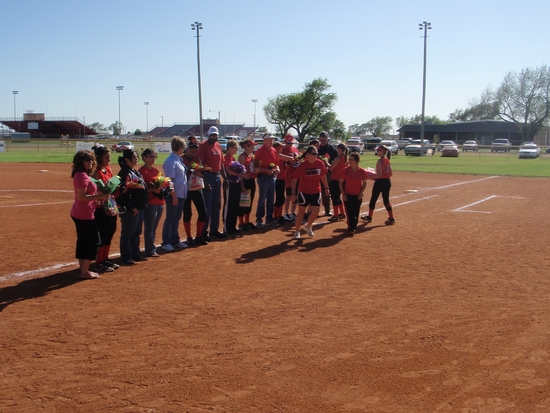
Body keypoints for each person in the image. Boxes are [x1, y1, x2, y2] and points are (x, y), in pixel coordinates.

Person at [70, 150, 111, 279]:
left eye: (92, 160)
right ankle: (84, 271)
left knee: (83, 240)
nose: (91, 162)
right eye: (87, 160)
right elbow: (82, 197)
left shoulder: (82, 174)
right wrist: (101, 196)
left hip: (80, 212)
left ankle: (83, 269)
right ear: (81, 162)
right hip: (84, 214)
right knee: (95, 242)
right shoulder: (82, 176)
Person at [254, 134, 294, 227]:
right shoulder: (260, 151)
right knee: (262, 199)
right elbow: (256, 167)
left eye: (272, 139)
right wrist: (267, 170)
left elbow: (275, 164)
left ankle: (269, 218)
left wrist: (277, 169)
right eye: (269, 140)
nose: (271, 141)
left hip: (272, 177)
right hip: (263, 177)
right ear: (264, 140)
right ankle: (259, 219)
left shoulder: (273, 150)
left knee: (271, 199)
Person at [117, 149, 148, 265]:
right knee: (128, 233)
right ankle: (127, 256)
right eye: (134, 157)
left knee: (136, 232)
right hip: (131, 209)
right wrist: (131, 207)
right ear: (126, 160)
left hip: (138, 207)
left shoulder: (133, 171)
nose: (136, 159)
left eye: (137, 157)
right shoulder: (125, 173)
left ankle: (135, 254)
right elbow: (123, 194)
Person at [290, 145, 329, 239]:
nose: (316, 155)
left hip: (316, 191)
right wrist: (293, 193)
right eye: (313, 153)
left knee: (316, 212)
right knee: (301, 212)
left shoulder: (320, 163)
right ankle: (297, 231)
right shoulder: (303, 165)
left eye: (316, 153)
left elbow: (323, 176)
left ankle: (308, 226)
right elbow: (294, 179)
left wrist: (326, 188)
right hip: (304, 192)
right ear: (307, 155)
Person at [92, 145, 119, 272]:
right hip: (100, 207)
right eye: (106, 157)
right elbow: (96, 188)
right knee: (102, 233)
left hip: (111, 205)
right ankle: (98, 261)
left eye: (109, 157)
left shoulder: (107, 169)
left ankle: (105, 258)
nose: (109, 159)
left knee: (110, 231)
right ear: (99, 158)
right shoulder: (95, 171)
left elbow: (111, 184)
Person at [198, 126, 225, 239]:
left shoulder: (218, 145)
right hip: (208, 176)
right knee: (207, 205)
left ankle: (214, 230)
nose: (214, 137)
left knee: (216, 205)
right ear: (208, 135)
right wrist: (204, 179)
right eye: (212, 135)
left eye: (215, 135)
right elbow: (200, 163)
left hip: (217, 176)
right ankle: (204, 231)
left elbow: (221, 163)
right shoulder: (203, 146)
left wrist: (225, 178)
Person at [162, 136, 188, 251]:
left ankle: (175, 240)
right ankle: (166, 242)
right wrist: (173, 196)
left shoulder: (179, 159)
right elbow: (169, 181)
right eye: (183, 147)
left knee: (176, 218)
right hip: (174, 194)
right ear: (180, 147)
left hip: (181, 194)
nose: (184, 149)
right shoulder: (170, 161)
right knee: (170, 218)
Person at [138, 148, 165, 257]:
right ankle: (150, 249)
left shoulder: (156, 171)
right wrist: (153, 189)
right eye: (151, 156)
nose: (154, 159)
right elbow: (141, 188)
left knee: (154, 226)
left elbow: (162, 183)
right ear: (144, 157)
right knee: (149, 226)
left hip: (159, 202)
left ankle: (151, 246)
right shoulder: (141, 171)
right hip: (150, 203)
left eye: (155, 157)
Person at [182, 139, 208, 245]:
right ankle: (189, 237)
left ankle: (198, 236)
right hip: (186, 189)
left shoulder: (197, 158)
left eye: (196, 150)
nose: (194, 152)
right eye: (193, 150)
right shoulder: (182, 159)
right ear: (188, 148)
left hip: (197, 188)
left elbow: (201, 171)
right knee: (187, 213)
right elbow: (180, 173)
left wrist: (201, 171)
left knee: (203, 213)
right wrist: (190, 168)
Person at [362, 145, 395, 225]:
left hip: (380, 182)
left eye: (379, 151)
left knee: (373, 199)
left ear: (383, 152)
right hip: (387, 182)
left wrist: (370, 176)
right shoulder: (387, 160)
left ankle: (369, 217)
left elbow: (379, 175)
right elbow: (390, 173)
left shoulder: (380, 161)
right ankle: (391, 218)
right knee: (386, 200)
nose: (377, 152)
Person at [222, 139, 248, 234]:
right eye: (235, 147)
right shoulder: (226, 158)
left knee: (235, 205)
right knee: (229, 205)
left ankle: (232, 226)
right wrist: (241, 175)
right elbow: (228, 171)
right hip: (229, 184)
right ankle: (226, 227)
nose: (237, 149)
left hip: (236, 183)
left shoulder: (233, 158)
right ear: (229, 148)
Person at [339, 153, 368, 234]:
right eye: (349, 159)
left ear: (356, 161)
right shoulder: (345, 170)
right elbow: (340, 182)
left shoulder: (361, 171)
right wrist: (343, 194)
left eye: (352, 160)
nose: (349, 161)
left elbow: (365, 183)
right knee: (350, 211)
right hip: (348, 194)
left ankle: (352, 225)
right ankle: (352, 227)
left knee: (356, 211)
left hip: (357, 195)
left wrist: (361, 193)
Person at [237, 138, 257, 230]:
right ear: (246, 147)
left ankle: (247, 221)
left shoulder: (250, 157)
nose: (253, 148)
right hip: (244, 181)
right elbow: (240, 173)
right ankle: (241, 223)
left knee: (249, 202)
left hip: (251, 181)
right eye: (252, 146)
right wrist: (242, 186)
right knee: (243, 203)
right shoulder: (242, 157)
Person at [318, 131, 338, 216]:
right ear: (319, 139)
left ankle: (327, 209)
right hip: (316, 172)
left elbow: (336, 158)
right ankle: (313, 210)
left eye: (325, 140)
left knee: (326, 189)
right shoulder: (316, 147)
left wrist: (329, 164)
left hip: (326, 172)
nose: (323, 142)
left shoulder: (331, 148)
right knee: (315, 190)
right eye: (322, 140)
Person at [328, 143, 348, 222]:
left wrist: (325, 162)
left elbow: (331, 168)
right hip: (342, 180)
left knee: (334, 198)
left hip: (335, 180)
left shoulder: (338, 158)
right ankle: (342, 213)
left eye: (337, 148)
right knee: (338, 197)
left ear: (340, 149)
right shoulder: (345, 158)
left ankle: (336, 215)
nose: (336, 150)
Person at [281, 134, 299, 220]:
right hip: (287, 175)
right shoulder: (282, 150)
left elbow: (298, 160)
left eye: (291, 143)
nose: (290, 145)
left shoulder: (295, 149)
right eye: (288, 143)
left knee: (295, 194)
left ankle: (292, 212)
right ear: (285, 142)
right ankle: (285, 213)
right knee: (288, 195)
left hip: (295, 174)